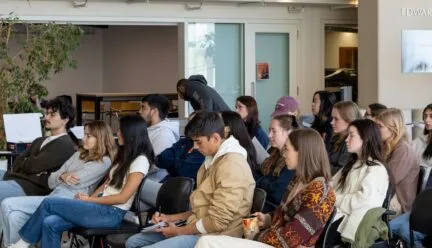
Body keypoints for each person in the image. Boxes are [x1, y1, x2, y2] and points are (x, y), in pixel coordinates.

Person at [9, 115, 155, 248]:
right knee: (49, 223)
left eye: (120, 130)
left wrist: (89, 200)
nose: (117, 133)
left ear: (131, 133)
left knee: (48, 203)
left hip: (111, 214)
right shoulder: (123, 157)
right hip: (99, 208)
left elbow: (123, 197)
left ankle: (23, 243)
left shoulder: (140, 161)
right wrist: (90, 199)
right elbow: (106, 186)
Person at [125, 112, 255, 248]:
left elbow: (218, 222)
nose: (196, 147)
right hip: (199, 229)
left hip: (216, 238)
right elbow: (201, 210)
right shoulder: (213, 159)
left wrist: (178, 231)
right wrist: (169, 218)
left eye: (199, 142)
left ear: (215, 138)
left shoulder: (232, 165)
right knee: (133, 242)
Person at [194, 129, 336, 248]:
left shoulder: (319, 192)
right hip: (272, 238)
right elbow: (283, 215)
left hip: (278, 244)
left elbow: (290, 238)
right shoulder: (298, 179)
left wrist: (255, 235)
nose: (283, 153)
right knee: (246, 224)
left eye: (287, 149)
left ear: (303, 153)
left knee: (206, 242)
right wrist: (266, 219)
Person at [0, 120, 116, 247]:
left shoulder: (104, 161)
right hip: (54, 196)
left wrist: (63, 175)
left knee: (7, 204)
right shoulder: (78, 155)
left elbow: (76, 180)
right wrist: (62, 175)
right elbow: (51, 181)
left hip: (71, 201)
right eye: (84, 134)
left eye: (88, 136)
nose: (83, 138)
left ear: (100, 138)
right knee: (15, 216)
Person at [0, 97, 75, 203]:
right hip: (16, 178)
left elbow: (33, 166)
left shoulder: (65, 144)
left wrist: (27, 162)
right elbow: (17, 162)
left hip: (30, 187)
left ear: (65, 120)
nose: (46, 117)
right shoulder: (40, 140)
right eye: (47, 113)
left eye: (52, 115)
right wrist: (29, 165)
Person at [331, 119, 389, 244]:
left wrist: (333, 198)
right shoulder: (353, 163)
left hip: (347, 222)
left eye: (351, 135)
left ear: (366, 138)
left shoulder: (376, 170)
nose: (346, 139)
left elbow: (362, 201)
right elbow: (331, 185)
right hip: (336, 214)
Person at [375, 108, 419, 215]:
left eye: (380, 126)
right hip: (388, 197)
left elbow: (388, 180)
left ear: (393, 128)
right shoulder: (386, 147)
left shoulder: (403, 150)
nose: (376, 130)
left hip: (398, 204)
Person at [254, 114, 297, 212]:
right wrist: (267, 182)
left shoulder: (291, 160)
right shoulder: (273, 151)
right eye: (269, 130)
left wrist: (260, 181)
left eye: (274, 131)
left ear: (288, 132)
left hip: (270, 211)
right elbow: (256, 172)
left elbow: (277, 193)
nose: (269, 135)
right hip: (260, 204)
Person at [157, 112, 205, 180]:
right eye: (189, 122)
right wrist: (181, 163)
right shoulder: (184, 141)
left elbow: (184, 172)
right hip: (169, 183)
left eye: (193, 123)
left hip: (187, 188)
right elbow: (161, 159)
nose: (189, 126)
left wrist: (174, 162)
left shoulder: (203, 146)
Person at [328, 101, 362, 174]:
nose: (332, 122)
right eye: (332, 118)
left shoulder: (352, 143)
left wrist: (320, 165)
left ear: (349, 120)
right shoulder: (336, 137)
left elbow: (341, 172)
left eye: (336, 119)